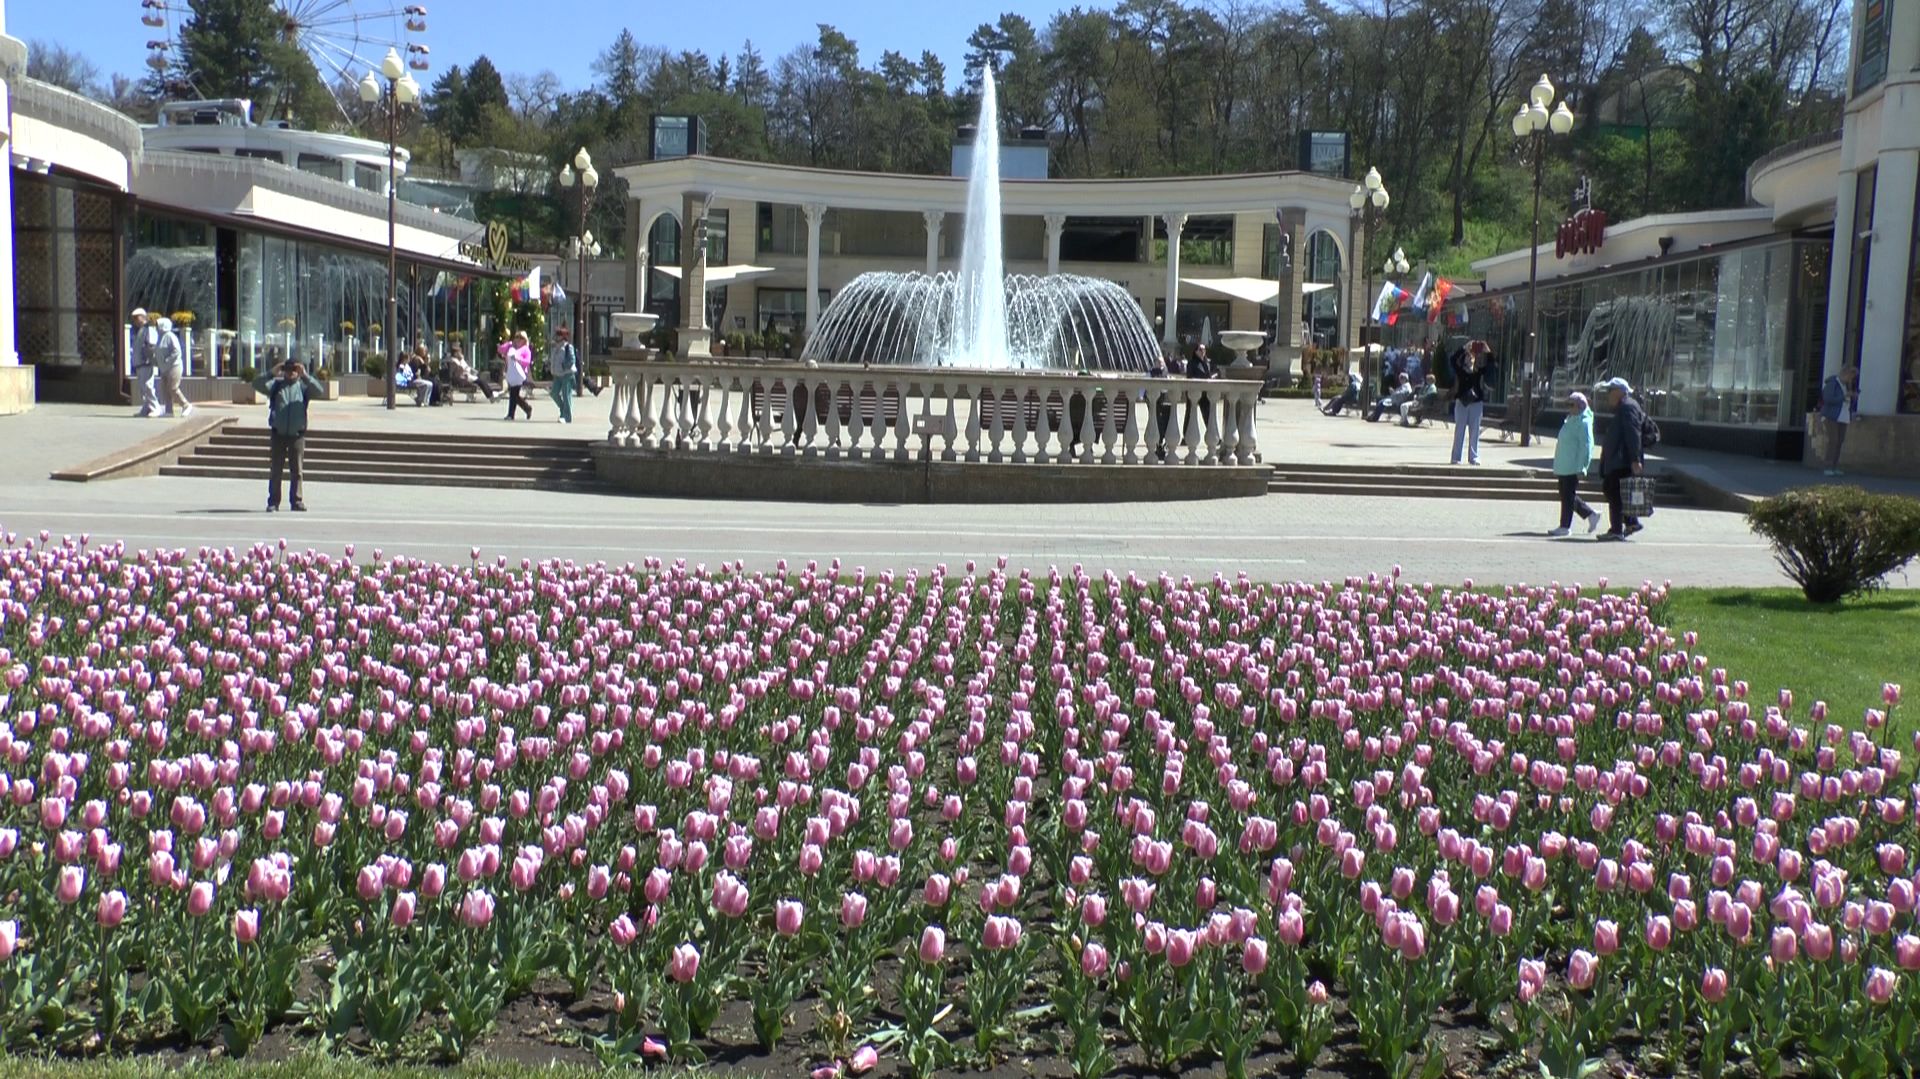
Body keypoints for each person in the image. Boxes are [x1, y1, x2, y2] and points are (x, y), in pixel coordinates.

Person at [251, 360, 325, 512]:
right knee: (276, 470)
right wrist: (272, 372)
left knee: (297, 471)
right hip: (278, 434)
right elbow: (256, 384)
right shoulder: (276, 386)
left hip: (297, 435)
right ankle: (273, 502)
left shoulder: (303, 387)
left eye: (294, 369)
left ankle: (296, 501)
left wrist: (305, 375)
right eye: (288, 369)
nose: (291, 372)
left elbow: (319, 391)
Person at [1595, 376, 1648, 541]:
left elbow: (1633, 434)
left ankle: (1617, 529)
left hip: (1622, 460)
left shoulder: (1627, 408)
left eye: (1610, 391)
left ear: (1619, 392)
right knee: (1614, 491)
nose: (1608, 394)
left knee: (1614, 492)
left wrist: (1635, 458)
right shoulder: (1624, 407)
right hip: (1618, 460)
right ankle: (1630, 522)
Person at [1548, 391, 1602, 536]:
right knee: (1567, 495)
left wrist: (1582, 467)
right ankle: (1591, 514)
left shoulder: (1583, 423)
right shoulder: (1571, 419)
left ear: (1580, 406)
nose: (1569, 408)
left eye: (1572, 405)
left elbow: (1587, 446)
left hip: (1573, 466)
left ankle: (1565, 526)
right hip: (1564, 465)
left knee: (1568, 496)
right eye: (1568, 404)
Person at [1449, 340, 1496, 464]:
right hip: (1462, 402)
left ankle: (1473, 457)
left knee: (1475, 430)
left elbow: (1491, 365)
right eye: (1468, 358)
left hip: (1476, 402)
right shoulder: (1460, 370)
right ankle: (1456, 457)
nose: (1470, 360)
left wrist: (1487, 351)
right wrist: (1464, 348)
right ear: (1464, 360)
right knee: (1460, 430)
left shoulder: (1478, 371)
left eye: (1472, 358)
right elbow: (1452, 360)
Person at [1819, 365, 1856, 476]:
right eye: (1850, 376)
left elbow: (1847, 401)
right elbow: (1828, 399)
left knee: (1839, 441)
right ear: (1844, 374)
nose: (1851, 380)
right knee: (1833, 441)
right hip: (1831, 416)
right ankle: (1828, 466)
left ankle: (1834, 466)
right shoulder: (1832, 384)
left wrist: (1852, 397)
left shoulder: (1846, 386)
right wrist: (1843, 397)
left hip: (1843, 416)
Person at [153, 316, 192, 417]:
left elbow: (176, 351)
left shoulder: (170, 336)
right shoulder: (160, 337)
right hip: (164, 368)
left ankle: (186, 405)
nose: (156, 327)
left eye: (158, 325)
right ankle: (169, 411)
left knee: (173, 388)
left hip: (174, 366)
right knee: (165, 389)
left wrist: (167, 360)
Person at [129, 307, 160, 417]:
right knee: (143, 387)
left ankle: (155, 407)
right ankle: (147, 408)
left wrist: (151, 359)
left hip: (146, 363)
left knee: (148, 386)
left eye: (136, 318)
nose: (135, 321)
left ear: (142, 317)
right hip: (140, 363)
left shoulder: (148, 329)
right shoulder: (141, 330)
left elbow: (151, 346)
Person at [500, 331, 534, 420]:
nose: (518, 340)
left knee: (513, 394)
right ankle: (527, 408)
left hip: (520, 374)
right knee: (514, 394)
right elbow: (501, 351)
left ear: (524, 340)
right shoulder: (512, 348)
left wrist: (518, 359)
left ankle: (511, 415)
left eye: (520, 338)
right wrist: (508, 344)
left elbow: (527, 362)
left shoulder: (526, 349)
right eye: (516, 337)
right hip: (512, 374)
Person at [548, 326, 577, 424]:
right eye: (557, 334)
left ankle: (566, 416)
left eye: (559, 334)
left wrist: (565, 366)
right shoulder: (556, 347)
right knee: (554, 393)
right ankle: (563, 409)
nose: (557, 336)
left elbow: (572, 359)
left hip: (566, 374)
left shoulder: (568, 347)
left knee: (566, 394)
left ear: (563, 336)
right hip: (557, 374)